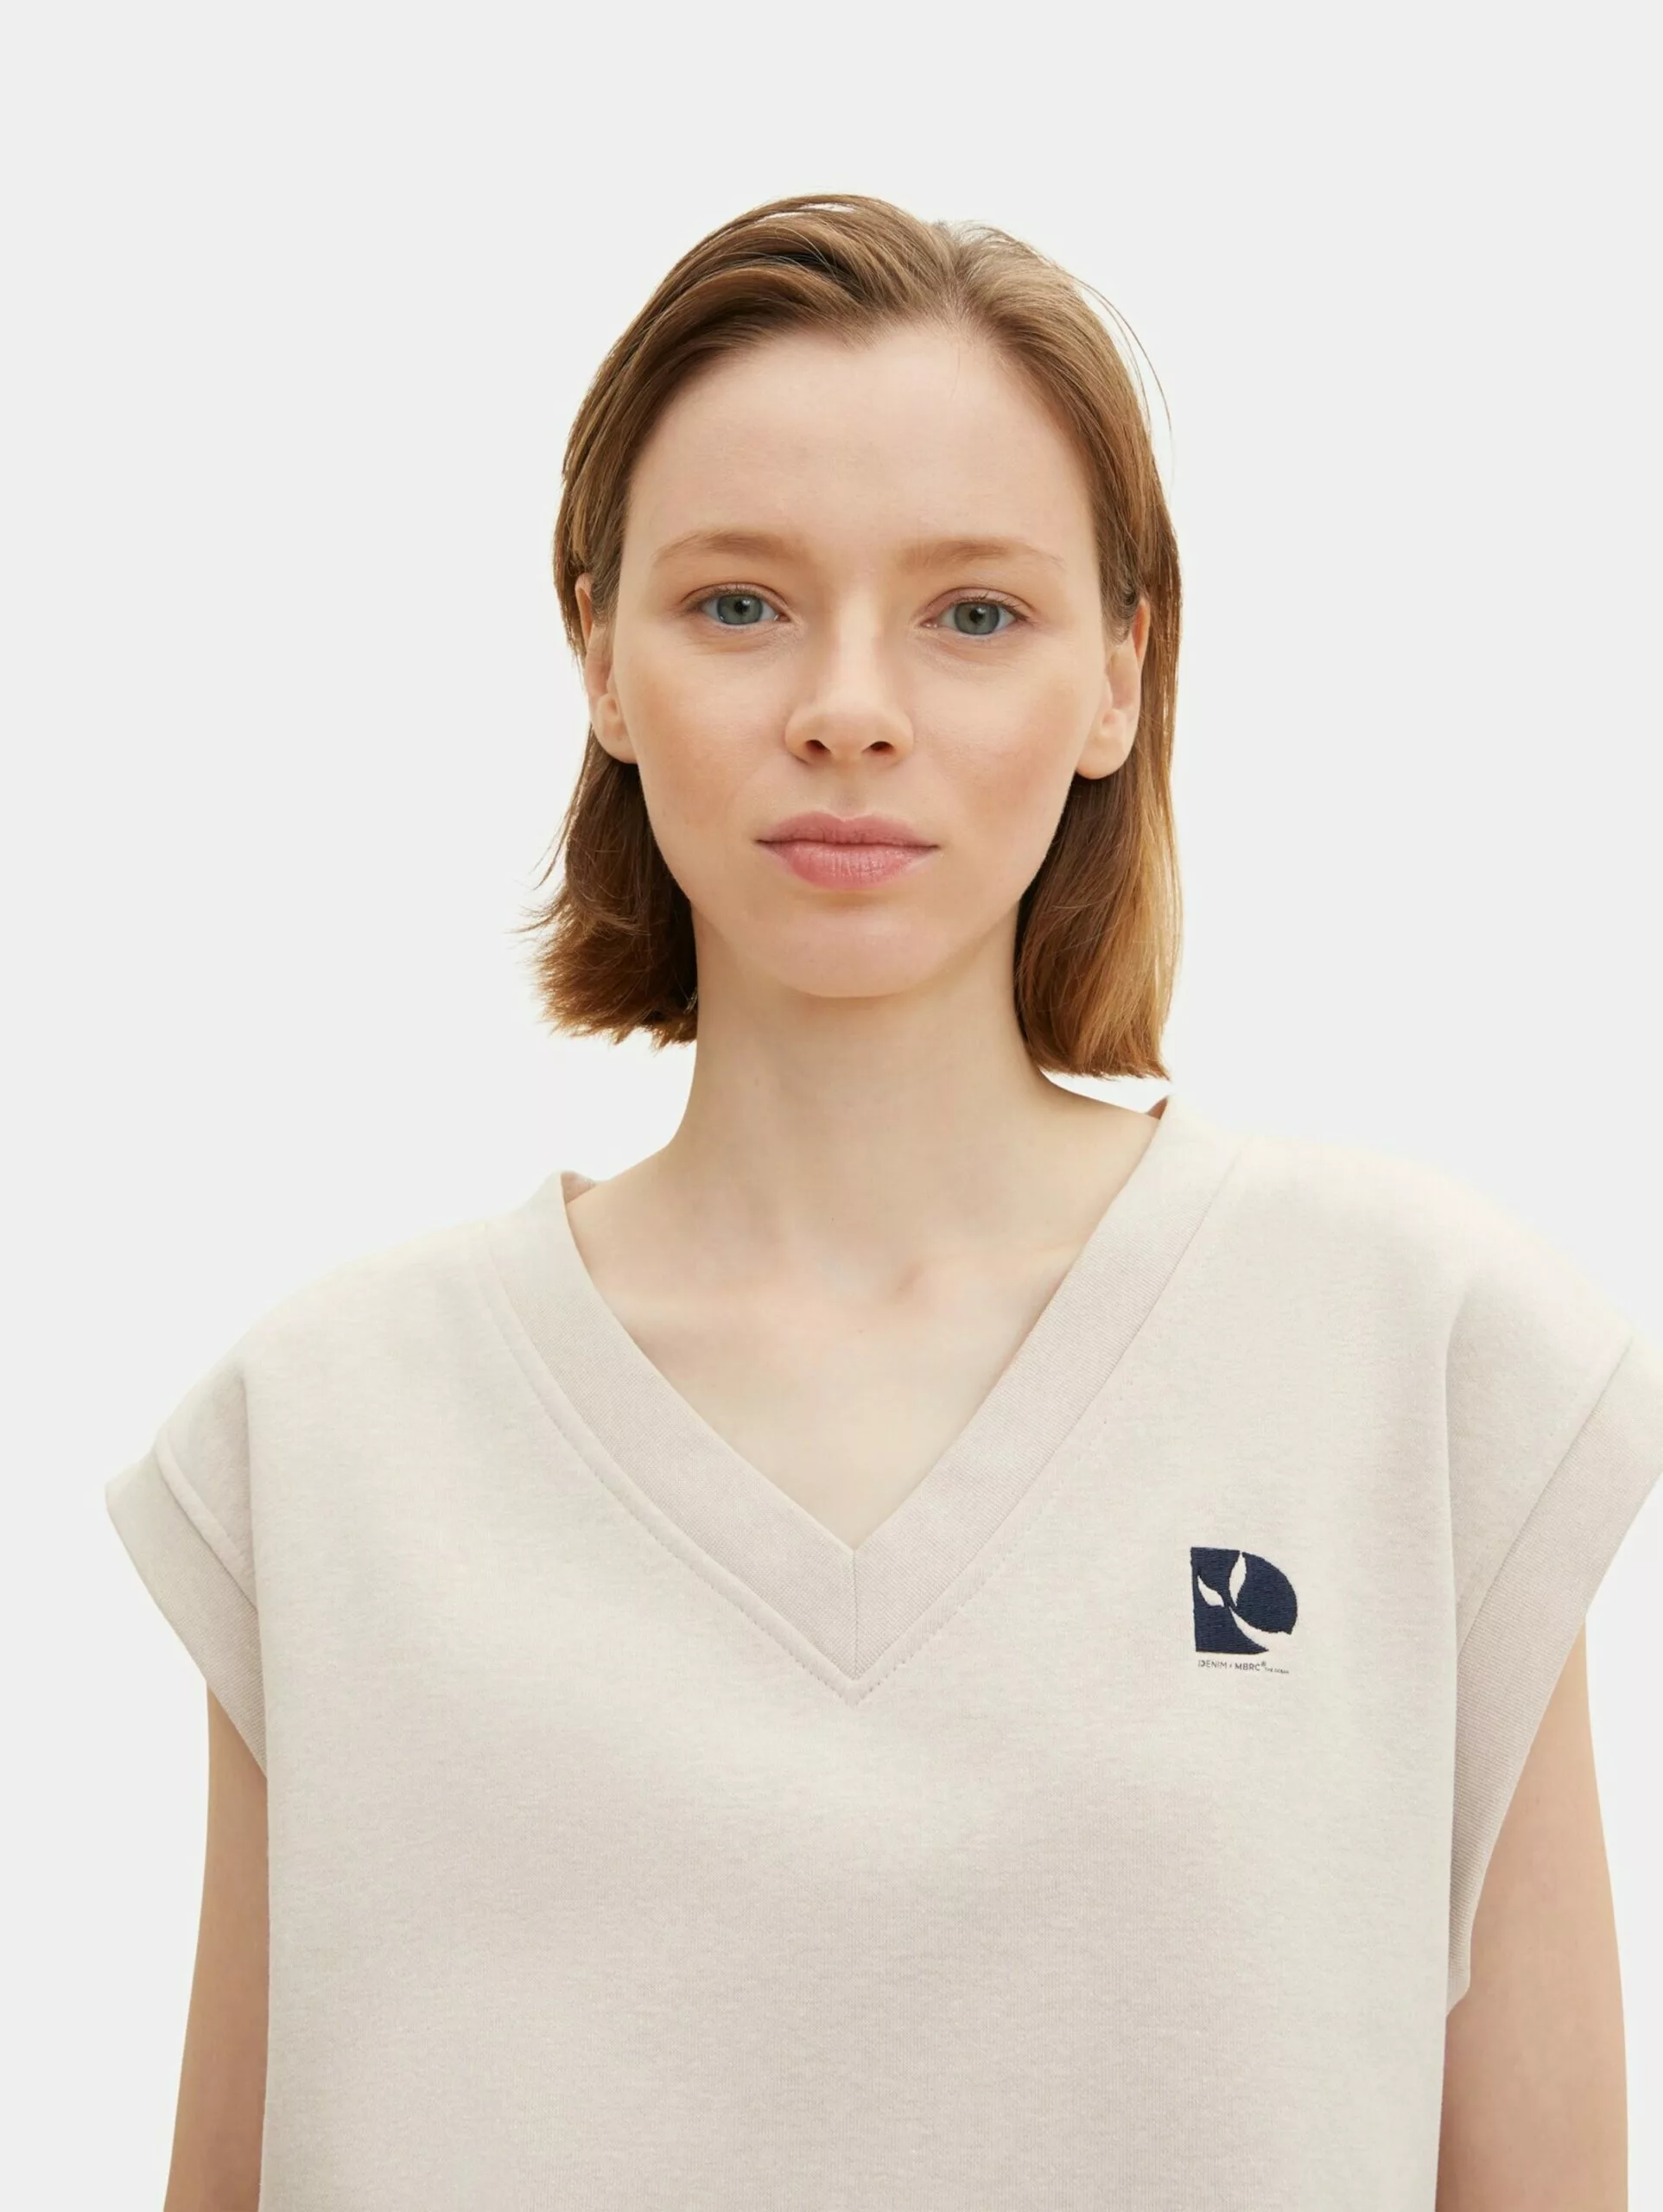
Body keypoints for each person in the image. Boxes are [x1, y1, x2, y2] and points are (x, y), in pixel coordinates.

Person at [105, 192, 1660, 2210]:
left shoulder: (1416, 1359)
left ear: (1118, 677)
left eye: (972, 613)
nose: (847, 704)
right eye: (738, 602)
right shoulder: (330, 1431)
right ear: (597, 654)